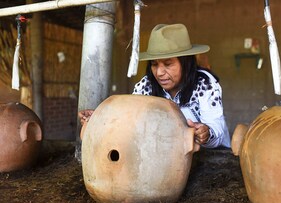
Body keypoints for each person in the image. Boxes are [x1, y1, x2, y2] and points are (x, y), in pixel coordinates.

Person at [79, 23, 230, 148]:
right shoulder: (147, 85)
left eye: (168, 64)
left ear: (185, 62)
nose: (159, 72)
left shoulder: (204, 83)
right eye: (154, 64)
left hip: (212, 157)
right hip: (169, 156)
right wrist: (100, 117)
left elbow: (217, 128)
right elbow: (128, 116)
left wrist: (206, 132)